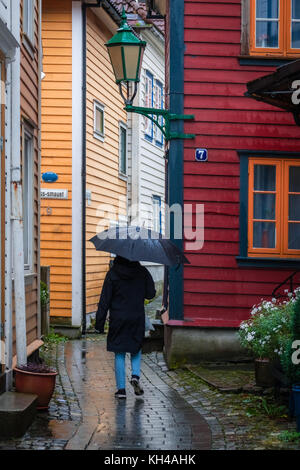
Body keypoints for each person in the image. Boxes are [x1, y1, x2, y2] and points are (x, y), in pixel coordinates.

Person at [95, 255, 156, 399]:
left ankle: (121, 390)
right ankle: (135, 376)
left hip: (118, 318)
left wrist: (99, 324)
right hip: (136, 317)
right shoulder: (142, 272)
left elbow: (104, 300)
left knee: (119, 352)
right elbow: (151, 294)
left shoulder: (112, 274)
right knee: (136, 348)